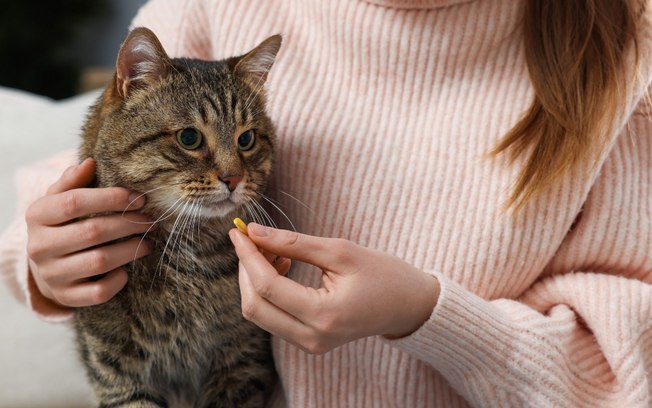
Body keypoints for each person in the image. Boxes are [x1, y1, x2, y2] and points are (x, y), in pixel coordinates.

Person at [1, 0, 651, 406]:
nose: (229, 172)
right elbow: (104, 152)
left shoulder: (629, 54)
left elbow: (631, 364)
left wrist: (430, 317)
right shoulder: (214, 5)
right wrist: (47, 257)